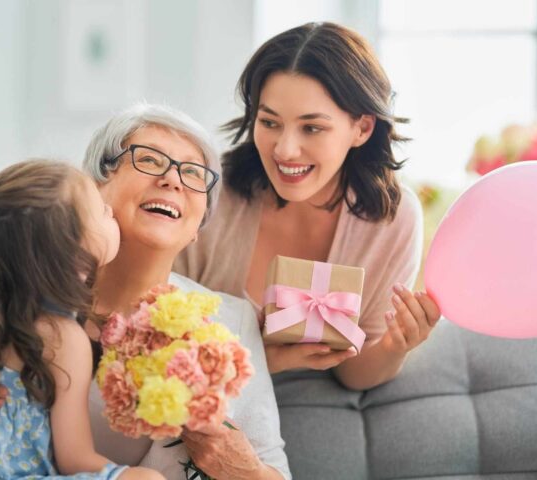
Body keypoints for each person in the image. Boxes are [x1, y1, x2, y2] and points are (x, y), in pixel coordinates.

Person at [0, 104, 291, 480]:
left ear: (197, 227)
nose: (173, 180)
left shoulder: (234, 321)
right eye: (151, 160)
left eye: (193, 173)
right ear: (93, 191)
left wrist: (246, 471)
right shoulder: (12, 310)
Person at [173, 22, 442, 390]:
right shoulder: (208, 193)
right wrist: (263, 359)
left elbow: (354, 373)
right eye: (269, 122)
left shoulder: (391, 218)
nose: (284, 150)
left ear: (362, 128)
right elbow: (153, 335)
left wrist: (395, 345)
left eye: (311, 128)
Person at [0, 160, 163, 479]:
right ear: (71, 247)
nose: (111, 213)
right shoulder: (61, 335)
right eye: (101, 211)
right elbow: (74, 458)